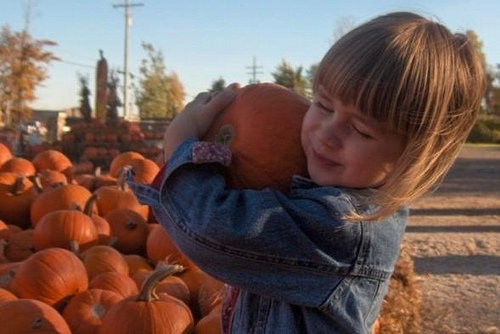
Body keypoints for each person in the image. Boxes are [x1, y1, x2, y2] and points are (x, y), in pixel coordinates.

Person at [126, 11, 485, 333]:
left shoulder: (344, 228)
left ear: (415, 157)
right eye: (323, 104)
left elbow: (212, 230)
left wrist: (180, 146)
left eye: (361, 130)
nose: (327, 133)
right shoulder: (334, 186)